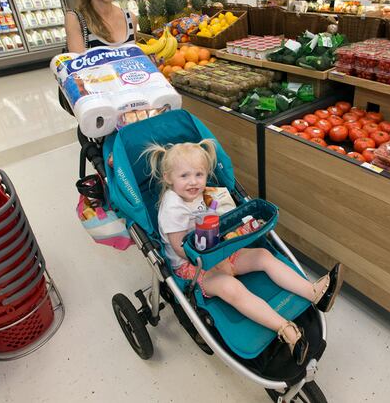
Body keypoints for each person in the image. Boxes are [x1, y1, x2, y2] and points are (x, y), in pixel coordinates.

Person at [143, 139, 344, 365]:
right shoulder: (173, 207)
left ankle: (315, 293)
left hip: (217, 250)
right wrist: (218, 264)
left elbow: (216, 219)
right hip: (192, 267)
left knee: (263, 256)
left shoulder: (202, 194)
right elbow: (181, 250)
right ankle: (286, 330)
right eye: (185, 176)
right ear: (168, 178)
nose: (193, 182)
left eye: (199, 175)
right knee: (231, 287)